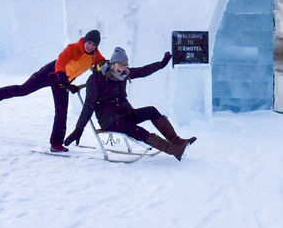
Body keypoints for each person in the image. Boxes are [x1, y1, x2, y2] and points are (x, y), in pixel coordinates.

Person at [64, 47, 196, 161]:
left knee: (151, 110)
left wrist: (160, 65)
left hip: (126, 113)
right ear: (112, 63)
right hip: (110, 120)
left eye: (125, 65)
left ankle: (178, 141)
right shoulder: (96, 79)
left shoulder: (124, 74)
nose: (122, 68)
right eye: (120, 65)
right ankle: (173, 150)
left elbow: (143, 71)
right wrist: (78, 129)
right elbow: (89, 106)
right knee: (139, 131)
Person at [0, 29, 105, 152]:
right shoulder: (73, 48)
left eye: (94, 44)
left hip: (63, 82)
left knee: (61, 111)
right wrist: (64, 81)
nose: (90, 46)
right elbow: (60, 62)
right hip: (49, 73)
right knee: (23, 90)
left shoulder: (95, 56)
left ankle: (56, 144)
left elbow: (105, 65)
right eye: (89, 43)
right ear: (84, 40)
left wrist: (120, 68)